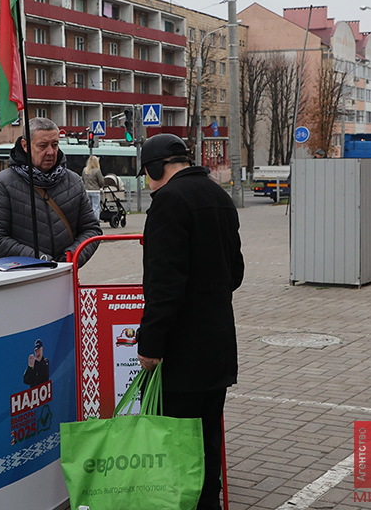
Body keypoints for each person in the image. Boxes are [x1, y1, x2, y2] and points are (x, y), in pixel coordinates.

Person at [135, 133, 244, 510]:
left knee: (176, 438)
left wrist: (150, 344)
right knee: (207, 437)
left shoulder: (168, 202)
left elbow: (164, 286)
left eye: (147, 175)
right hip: (218, 345)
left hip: (181, 351)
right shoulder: (219, 197)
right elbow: (237, 272)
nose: (148, 184)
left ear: (154, 167)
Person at [0, 117, 102, 264]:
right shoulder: (3, 183)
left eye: (55, 144)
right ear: (25, 145)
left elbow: (91, 230)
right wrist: (39, 259)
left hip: (64, 276)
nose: (51, 152)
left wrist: (70, 258)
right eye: (43, 146)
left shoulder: (74, 181)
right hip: (22, 279)